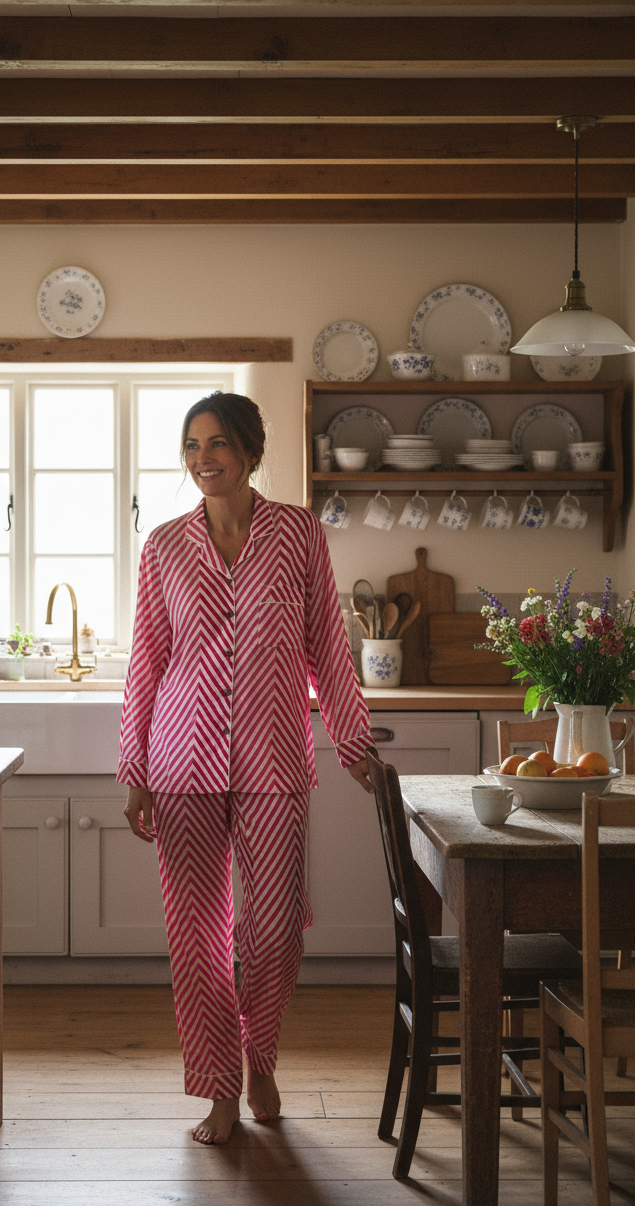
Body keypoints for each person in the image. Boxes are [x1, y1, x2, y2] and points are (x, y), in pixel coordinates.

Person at [118, 392, 373, 1145]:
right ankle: (219, 1087)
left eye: (219, 443)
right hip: (180, 759)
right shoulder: (163, 546)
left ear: (252, 451)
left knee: (274, 930)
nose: (203, 459)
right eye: (192, 446)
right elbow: (147, 661)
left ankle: (260, 1054)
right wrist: (134, 768)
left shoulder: (299, 534)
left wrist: (353, 741)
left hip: (273, 758)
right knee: (196, 937)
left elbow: (328, 646)